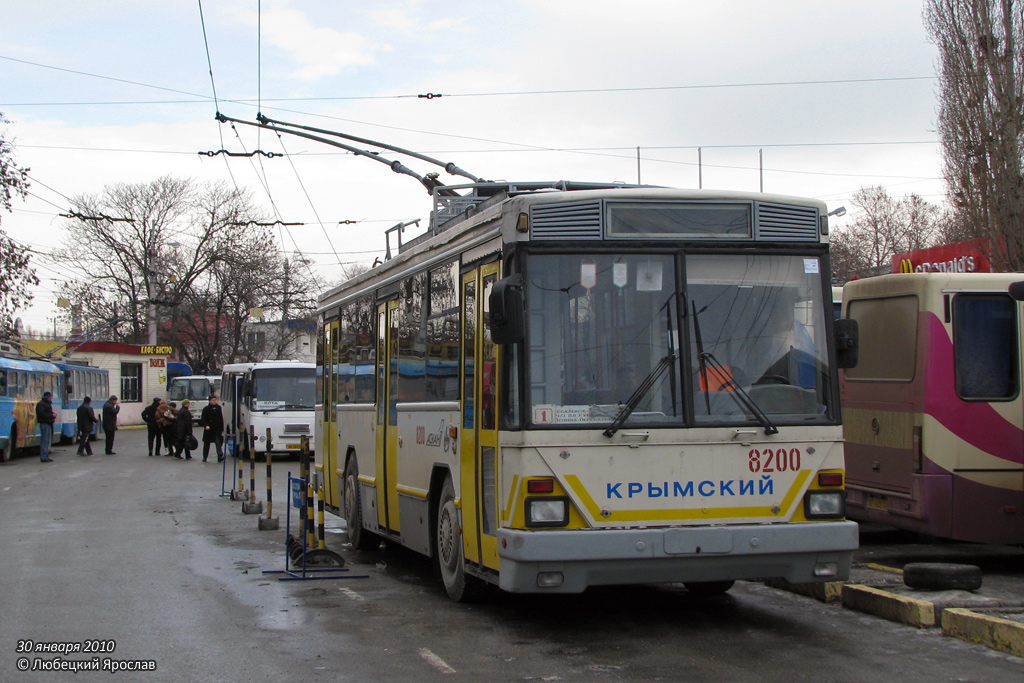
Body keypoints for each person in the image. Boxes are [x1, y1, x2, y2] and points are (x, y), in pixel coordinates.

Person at [199, 395, 225, 462]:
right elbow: (203, 419)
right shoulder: (206, 409)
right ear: (210, 401)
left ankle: (220, 455)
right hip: (209, 429)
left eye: (215, 400)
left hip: (216, 429)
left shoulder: (218, 408)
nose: (214, 401)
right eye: (213, 400)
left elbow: (220, 418)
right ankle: (205, 457)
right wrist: (206, 425)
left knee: (218, 442)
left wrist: (221, 428)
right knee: (206, 444)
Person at [36, 391, 56, 463]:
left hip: (48, 423)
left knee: (47, 440)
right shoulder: (41, 404)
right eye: (50, 397)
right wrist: (51, 415)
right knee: (44, 440)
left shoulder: (46, 404)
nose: (51, 398)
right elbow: (42, 414)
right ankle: (43, 456)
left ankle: (45, 455)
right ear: (47, 397)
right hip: (44, 423)